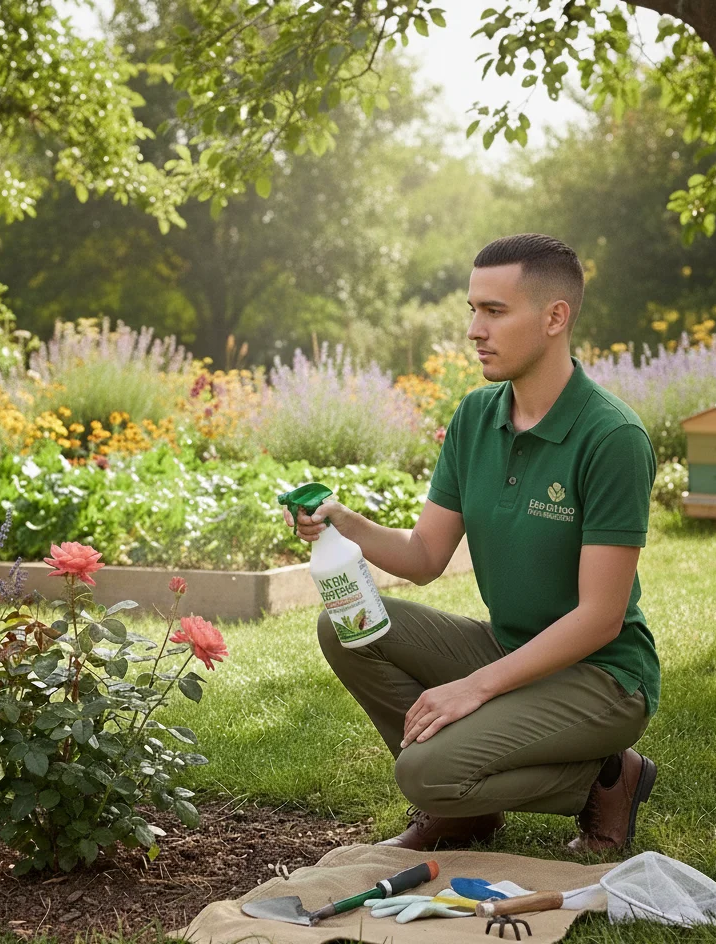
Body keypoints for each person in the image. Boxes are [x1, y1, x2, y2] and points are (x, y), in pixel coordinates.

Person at [283, 234, 660, 853]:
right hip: (511, 648)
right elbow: (425, 559)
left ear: (555, 316)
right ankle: (466, 811)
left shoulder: (611, 436)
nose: (475, 330)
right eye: (472, 311)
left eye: (495, 311)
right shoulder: (475, 417)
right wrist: (344, 520)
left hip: (603, 676)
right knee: (349, 626)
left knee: (424, 773)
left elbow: (601, 617)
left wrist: (475, 688)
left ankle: (606, 777)